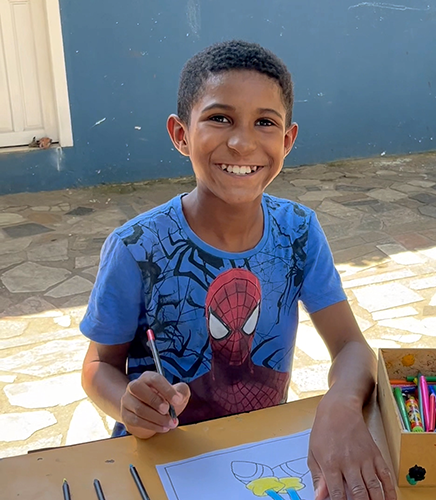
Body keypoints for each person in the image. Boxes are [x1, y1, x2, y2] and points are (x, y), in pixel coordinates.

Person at [80, 40, 396, 500]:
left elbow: (351, 347)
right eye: (219, 118)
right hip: (160, 461)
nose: (243, 141)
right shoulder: (136, 247)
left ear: (287, 140)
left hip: (259, 456)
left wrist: (342, 405)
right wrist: (127, 402)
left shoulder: (299, 231)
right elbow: (97, 367)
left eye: (265, 123)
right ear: (180, 133)